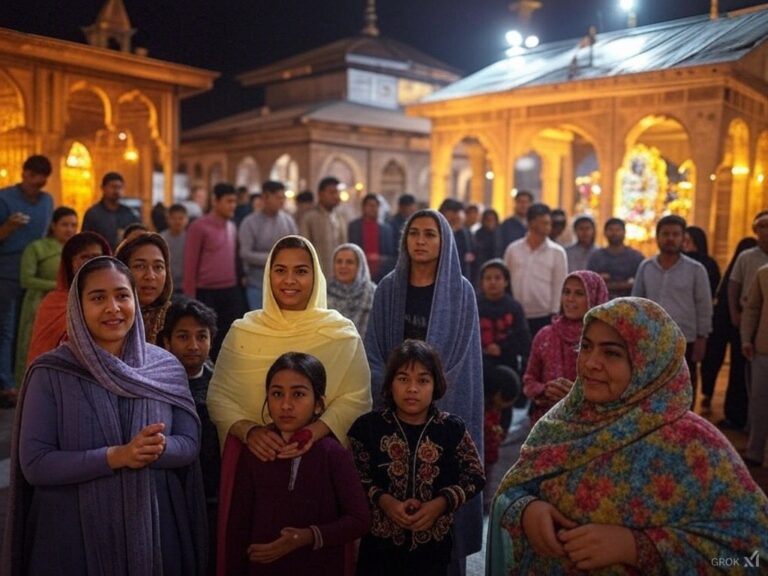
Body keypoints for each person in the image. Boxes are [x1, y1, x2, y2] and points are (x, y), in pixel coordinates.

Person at [488, 297, 768, 574]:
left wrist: (638, 547)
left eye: (611, 353)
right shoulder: (563, 422)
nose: (590, 364)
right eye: (586, 347)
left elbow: (753, 558)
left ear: (649, 362)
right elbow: (514, 488)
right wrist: (525, 509)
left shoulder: (695, 446)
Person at [2, 256, 207, 575]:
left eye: (122, 295)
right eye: (98, 298)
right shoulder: (51, 372)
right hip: (71, 535)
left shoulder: (164, 368)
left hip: (153, 528)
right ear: (78, 307)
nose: (113, 307)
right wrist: (116, 456)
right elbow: (36, 464)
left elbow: (190, 444)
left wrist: (154, 449)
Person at [364, 209, 483, 575]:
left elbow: (464, 357)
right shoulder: (387, 288)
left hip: (441, 415)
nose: (420, 240)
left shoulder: (461, 292)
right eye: (413, 233)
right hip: (393, 413)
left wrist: (427, 396)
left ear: (444, 242)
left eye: (430, 234)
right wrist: (396, 391)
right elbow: (373, 350)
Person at [226, 352, 370, 576]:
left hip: (318, 566)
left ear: (318, 405)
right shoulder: (255, 451)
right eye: (276, 394)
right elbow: (238, 527)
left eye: (298, 394)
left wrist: (308, 536)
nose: (285, 405)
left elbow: (360, 520)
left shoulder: (332, 453)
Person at [348, 340, 485, 576]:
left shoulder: (451, 429)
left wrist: (440, 504)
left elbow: (475, 476)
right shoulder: (368, 428)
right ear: (390, 383)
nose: (412, 388)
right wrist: (385, 501)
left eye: (422, 380)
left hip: (433, 549)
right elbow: (354, 476)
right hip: (379, 549)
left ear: (435, 385)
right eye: (403, 379)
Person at [160, 297, 221, 572]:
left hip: (213, 491)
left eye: (201, 336)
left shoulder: (222, 384)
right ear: (167, 341)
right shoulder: (156, 384)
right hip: (169, 489)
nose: (194, 345)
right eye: (183, 336)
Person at [633, 215, 712, 405]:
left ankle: (685, 431)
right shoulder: (646, 267)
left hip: (685, 339)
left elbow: (704, 305)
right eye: (665, 234)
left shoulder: (696, 269)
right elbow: (636, 302)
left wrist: (702, 338)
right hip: (651, 339)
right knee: (649, 391)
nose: (670, 238)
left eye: (675, 234)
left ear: (683, 237)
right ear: (657, 237)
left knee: (684, 390)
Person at [0, 155, 54, 405]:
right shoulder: (5, 198)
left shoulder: (46, 201)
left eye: (41, 182)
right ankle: (6, 383)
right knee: (7, 328)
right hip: (8, 271)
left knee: (29, 329)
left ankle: (26, 380)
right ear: (24, 174)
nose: (36, 186)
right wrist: (8, 228)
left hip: (35, 273)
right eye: (33, 179)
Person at [523, 270, 609, 424]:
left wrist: (577, 395)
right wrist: (545, 390)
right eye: (566, 292)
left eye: (579, 293)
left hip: (592, 425)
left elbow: (614, 389)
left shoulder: (605, 339)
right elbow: (529, 380)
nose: (570, 299)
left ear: (594, 297)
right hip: (547, 424)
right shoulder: (545, 335)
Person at [14, 206, 78, 385]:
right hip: (39, 305)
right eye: (65, 224)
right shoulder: (37, 247)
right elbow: (26, 279)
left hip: (70, 306)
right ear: (53, 225)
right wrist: (60, 286)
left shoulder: (76, 250)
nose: (70, 229)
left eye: (74, 225)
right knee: (34, 349)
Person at [26, 232, 111, 364]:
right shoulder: (53, 302)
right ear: (70, 263)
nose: (91, 262)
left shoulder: (115, 300)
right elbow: (42, 350)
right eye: (84, 257)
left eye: (96, 256)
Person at [184, 182, 246, 359]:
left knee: (229, 339)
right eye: (228, 201)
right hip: (206, 292)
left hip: (230, 290)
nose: (233, 205)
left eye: (234, 201)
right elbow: (190, 264)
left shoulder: (232, 226)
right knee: (208, 340)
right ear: (215, 201)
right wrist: (191, 299)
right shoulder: (199, 226)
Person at [712, 238, 758, 430]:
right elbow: (732, 289)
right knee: (739, 373)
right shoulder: (747, 258)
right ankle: (737, 415)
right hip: (743, 324)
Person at [503, 202, 568, 337]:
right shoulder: (513, 249)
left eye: (549, 223)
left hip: (544, 315)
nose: (548, 227)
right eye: (544, 223)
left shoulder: (557, 252)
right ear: (532, 223)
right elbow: (506, 279)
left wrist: (555, 313)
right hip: (517, 312)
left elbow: (559, 285)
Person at [238, 180, 298, 310]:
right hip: (257, 284)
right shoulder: (249, 222)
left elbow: (297, 248)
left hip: (285, 285)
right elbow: (245, 253)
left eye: (283, 198)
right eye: (278, 197)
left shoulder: (288, 221)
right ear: (265, 197)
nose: (282, 201)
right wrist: (274, 258)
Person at [116, 232, 173, 345]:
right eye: (140, 266)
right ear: (121, 271)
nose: (150, 276)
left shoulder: (177, 319)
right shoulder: (111, 317)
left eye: (158, 267)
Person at [741, 262, 768, 467]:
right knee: (759, 401)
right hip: (764, 347)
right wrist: (746, 339)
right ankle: (755, 450)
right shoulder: (763, 272)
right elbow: (752, 309)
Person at [586, 217, 644, 299]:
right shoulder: (596, 256)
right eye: (611, 230)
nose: (614, 233)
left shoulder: (636, 256)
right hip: (603, 303)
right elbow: (589, 282)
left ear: (624, 232)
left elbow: (642, 283)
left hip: (630, 303)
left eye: (618, 230)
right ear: (605, 233)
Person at [81, 171, 141, 250]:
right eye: (113, 187)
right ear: (103, 188)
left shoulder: (129, 214)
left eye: (119, 187)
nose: (116, 191)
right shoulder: (93, 214)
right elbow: (85, 241)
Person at [299, 177, 346, 275]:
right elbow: (304, 248)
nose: (336, 196)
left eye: (337, 192)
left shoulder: (341, 217)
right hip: (317, 272)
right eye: (332, 192)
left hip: (339, 272)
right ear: (320, 194)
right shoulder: (309, 218)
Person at [327, 243, 376, 337]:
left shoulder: (373, 294)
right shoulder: (324, 292)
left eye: (349, 262)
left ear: (360, 266)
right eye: (339, 261)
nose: (343, 266)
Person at [347, 193, 395, 282]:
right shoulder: (354, 226)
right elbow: (351, 248)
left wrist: (379, 258)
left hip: (381, 273)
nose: (373, 208)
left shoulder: (386, 229)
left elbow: (390, 254)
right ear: (363, 207)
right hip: (359, 272)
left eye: (376, 206)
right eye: (370, 205)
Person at [160, 203, 189, 293]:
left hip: (185, 283)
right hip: (166, 284)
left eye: (181, 218)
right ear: (168, 219)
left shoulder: (191, 238)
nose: (177, 221)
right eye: (173, 218)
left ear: (187, 219)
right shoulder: (161, 238)